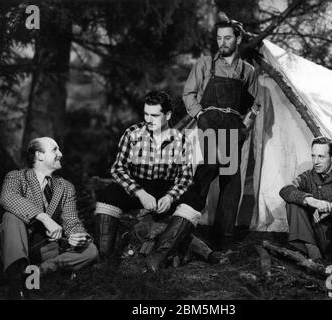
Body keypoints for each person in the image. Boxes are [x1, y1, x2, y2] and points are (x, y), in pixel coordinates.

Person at [94, 90, 213, 271]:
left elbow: (185, 176)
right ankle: (104, 259)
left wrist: (170, 197)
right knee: (108, 195)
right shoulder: (132, 134)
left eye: (155, 115)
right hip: (138, 185)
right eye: (146, 114)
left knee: (194, 200)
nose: (149, 119)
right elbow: (118, 169)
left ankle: (157, 258)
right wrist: (139, 193)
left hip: (166, 188)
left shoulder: (181, 140)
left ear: (168, 115)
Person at [181, 15, 259, 249]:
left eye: (227, 38)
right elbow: (189, 93)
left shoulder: (248, 70)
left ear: (238, 39)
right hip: (209, 121)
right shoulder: (205, 64)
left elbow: (255, 104)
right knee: (209, 167)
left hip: (233, 125)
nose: (222, 42)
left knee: (231, 181)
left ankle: (223, 240)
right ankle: (182, 224)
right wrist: (200, 116)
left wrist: (245, 127)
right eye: (219, 38)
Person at [0, 137, 98, 299]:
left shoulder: (65, 187)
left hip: (47, 249)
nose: (61, 153)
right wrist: (44, 218)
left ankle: (34, 273)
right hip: (17, 244)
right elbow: (7, 198)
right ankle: (16, 284)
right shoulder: (16, 177)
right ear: (39, 155)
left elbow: (72, 222)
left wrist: (78, 236)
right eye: (55, 150)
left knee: (91, 251)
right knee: (10, 216)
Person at [279, 136, 332, 273]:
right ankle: (316, 260)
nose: (315, 161)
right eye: (313, 156)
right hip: (316, 239)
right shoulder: (307, 177)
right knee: (293, 203)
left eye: (321, 157)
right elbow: (285, 190)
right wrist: (311, 200)